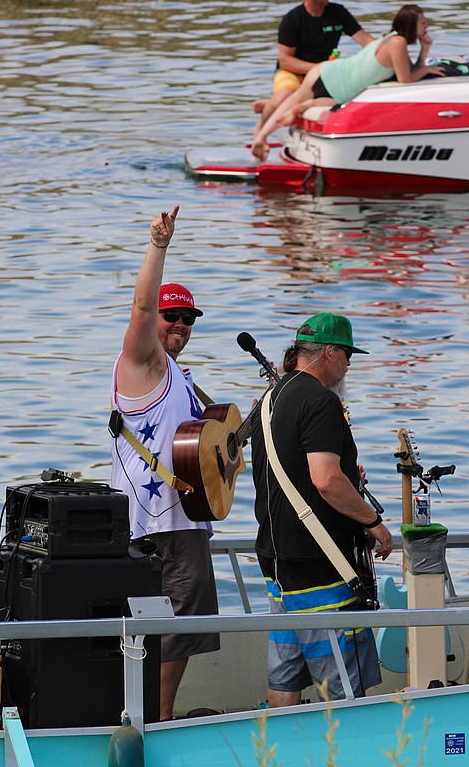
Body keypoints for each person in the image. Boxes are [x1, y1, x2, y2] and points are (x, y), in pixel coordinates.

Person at [251, 312, 394, 706]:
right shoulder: (321, 402)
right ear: (329, 353)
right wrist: (373, 521)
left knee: (285, 676)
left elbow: (286, 472)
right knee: (342, 686)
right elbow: (326, 480)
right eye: (348, 354)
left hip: (278, 563)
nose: (350, 363)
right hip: (319, 566)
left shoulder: (268, 401)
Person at [110, 205, 219, 721]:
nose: (178, 324)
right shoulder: (141, 363)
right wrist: (158, 245)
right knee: (177, 625)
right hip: (161, 524)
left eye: (188, 318)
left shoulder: (182, 377)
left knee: (181, 624)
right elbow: (140, 308)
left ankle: (155, 713)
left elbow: (208, 446)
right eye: (171, 316)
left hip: (184, 519)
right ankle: (160, 718)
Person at [251, 4, 444, 160]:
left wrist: (424, 51)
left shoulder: (390, 38)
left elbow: (409, 71)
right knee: (308, 102)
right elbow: (406, 80)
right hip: (337, 85)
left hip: (326, 70)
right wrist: (426, 68)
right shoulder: (398, 43)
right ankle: (297, 111)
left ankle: (261, 137)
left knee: (293, 99)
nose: (426, 27)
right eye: (423, 23)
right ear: (411, 24)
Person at [253, 0, 375, 133]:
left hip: (322, 72)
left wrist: (386, 47)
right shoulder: (293, 19)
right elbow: (285, 60)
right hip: (292, 70)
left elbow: (365, 40)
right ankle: (260, 129)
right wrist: (318, 68)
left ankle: (272, 105)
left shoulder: (338, 12)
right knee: (286, 95)